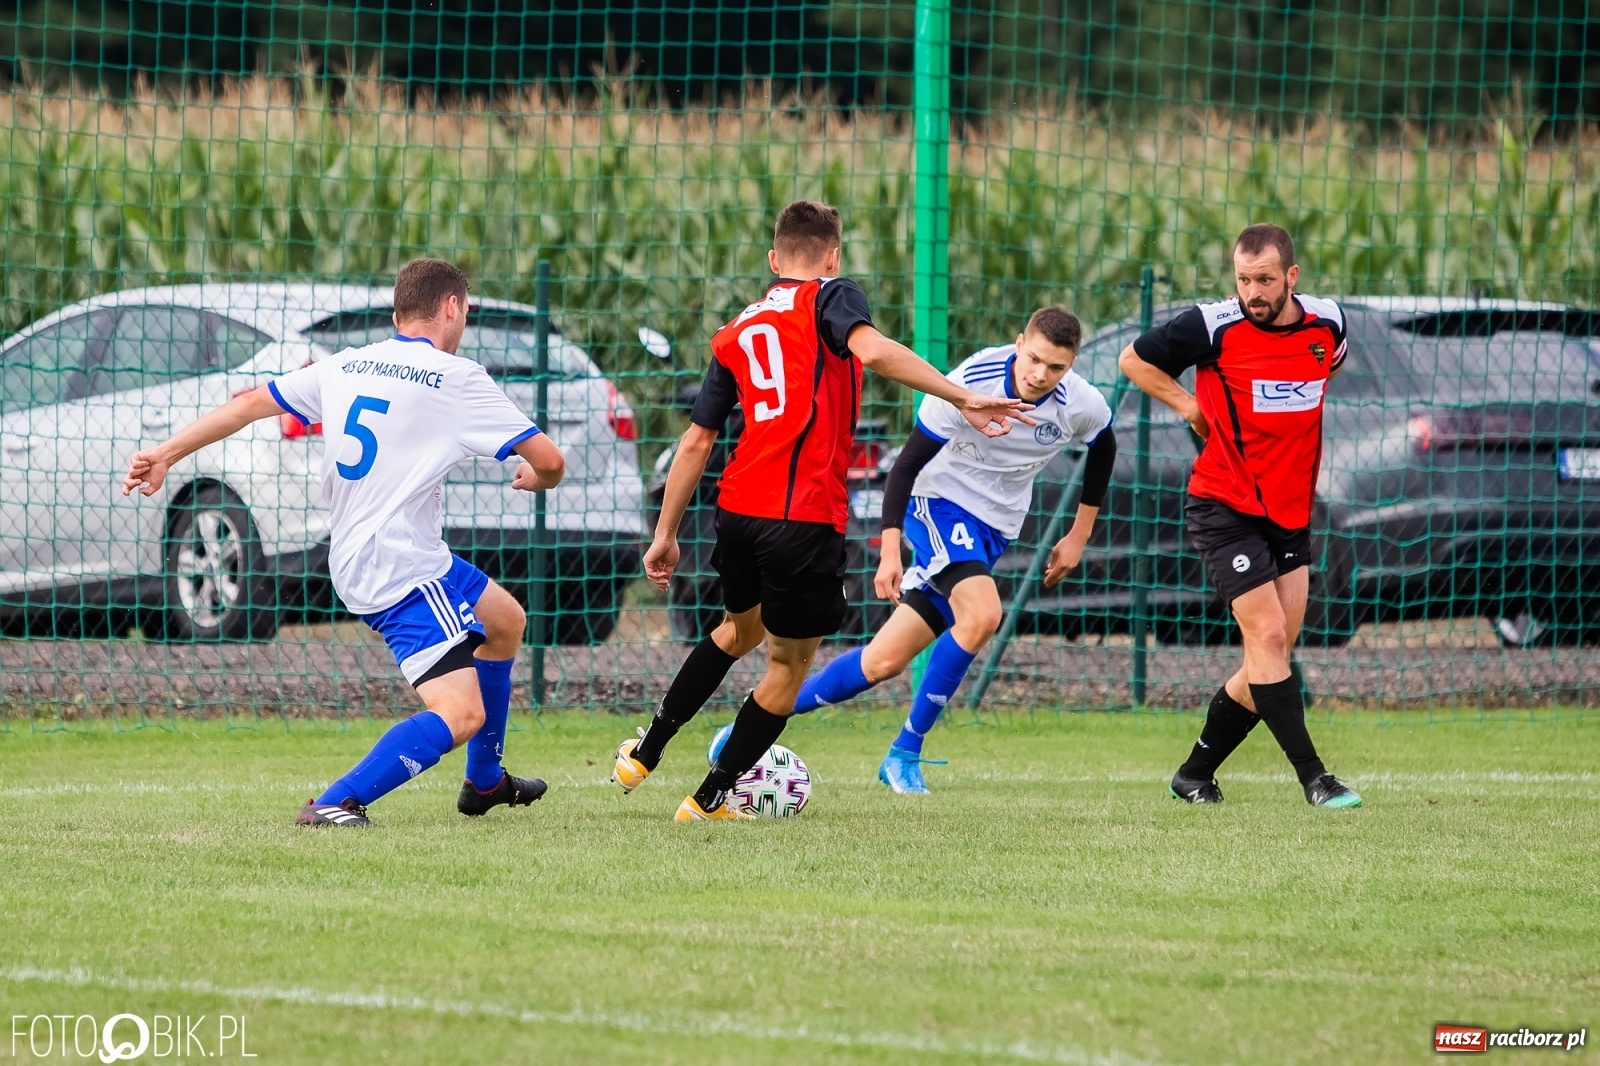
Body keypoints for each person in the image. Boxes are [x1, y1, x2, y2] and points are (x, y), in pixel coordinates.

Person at [611, 200, 1034, 821]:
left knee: (737, 630)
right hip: (802, 518)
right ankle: (708, 799)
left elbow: (696, 441)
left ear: (774, 259)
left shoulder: (739, 329)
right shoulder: (832, 296)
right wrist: (962, 395)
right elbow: (875, 353)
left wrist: (666, 533)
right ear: (831, 258)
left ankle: (643, 753)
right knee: (787, 666)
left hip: (736, 512)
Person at [123, 258, 567, 827]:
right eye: (465, 310)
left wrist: (164, 453)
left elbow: (245, 405)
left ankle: (484, 783)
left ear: (395, 314)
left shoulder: (345, 365)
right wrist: (540, 477)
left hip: (367, 552)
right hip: (400, 567)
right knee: (460, 713)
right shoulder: (458, 379)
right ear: (452, 308)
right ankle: (336, 800)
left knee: (504, 620)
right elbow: (550, 461)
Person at [787, 306, 1116, 793]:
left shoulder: (1077, 402)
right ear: (1019, 340)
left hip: (993, 530)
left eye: (1056, 368)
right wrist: (890, 549)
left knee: (883, 662)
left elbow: (1104, 447)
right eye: (1035, 359)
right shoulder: (970, 382)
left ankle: (758, 715)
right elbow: (904, 467)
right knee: (983, 614)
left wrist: (1079, 536)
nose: (1040, 375)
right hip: (935, 504)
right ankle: (905, 752)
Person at [1117, 223, 1361, 808]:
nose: (1252, 291)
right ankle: (1315, 779)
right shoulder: (1212, 325)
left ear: (1291, 277)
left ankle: (1194, 774)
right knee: (1269, 636)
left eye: (1265, 280)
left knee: (1270, 654)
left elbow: (1329, 365)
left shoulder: (1328, 322)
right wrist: (1188, 404)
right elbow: (1133, 359)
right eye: (1244, 279)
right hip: (1224, 505)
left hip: (1290, 513)